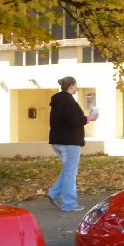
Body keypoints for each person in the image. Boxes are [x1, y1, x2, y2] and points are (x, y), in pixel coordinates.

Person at [48, 76, 98, 211]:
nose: (77, 87)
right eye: (76, 85)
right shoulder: (69, 102)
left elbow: (67, 120)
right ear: (71, 85)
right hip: (69, 142)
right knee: (71, 173)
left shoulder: (57, 101)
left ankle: (54, 193)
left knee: (68, 170)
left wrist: (86, 118)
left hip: (57, 141)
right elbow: (75, 120)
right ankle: (69, 204)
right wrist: (90, 118)